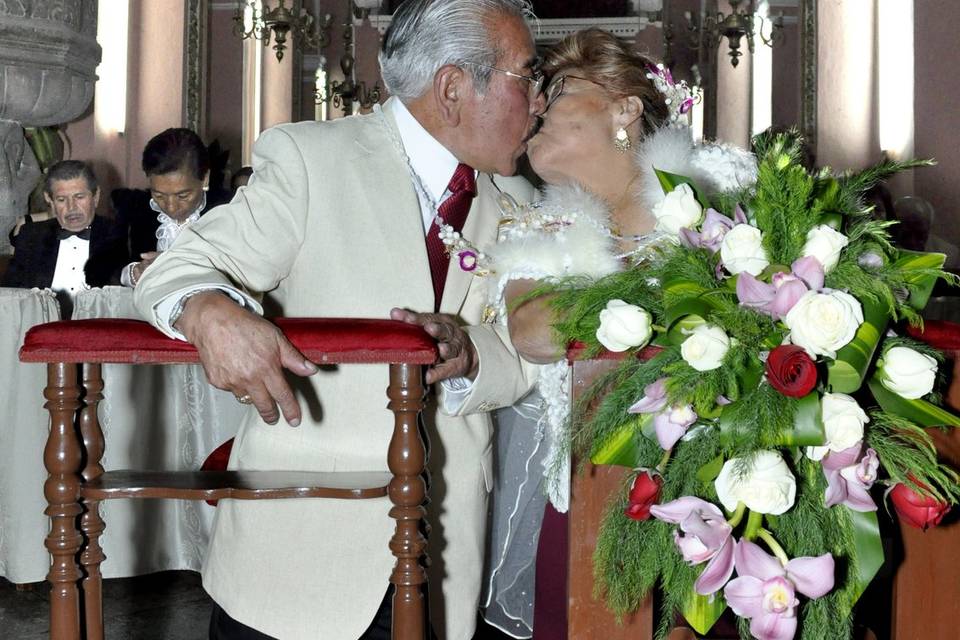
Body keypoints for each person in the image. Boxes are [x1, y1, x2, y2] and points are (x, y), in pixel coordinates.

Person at [133, 1, 544, 639]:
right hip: (301, 542)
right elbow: (181, 267)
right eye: (528, 74)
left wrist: (472, 358)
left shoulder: (516, 200)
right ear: (454, 87)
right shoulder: (308, 158)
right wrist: (208, 310)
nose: (539, 100)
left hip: (442, 546)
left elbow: (521, 357)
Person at [477, 28, 757, 638]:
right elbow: (532, 330)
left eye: (558, 89)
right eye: (536, 93)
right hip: (593, 502)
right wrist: (670, 293)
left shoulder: (719, 188)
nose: (537, 106)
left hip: (736, 494)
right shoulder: (537, 233)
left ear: (626, 107)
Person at [1, 160, 128, 315]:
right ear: (49, 199)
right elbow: (12, 293)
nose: (71, 207)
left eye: (79, 197)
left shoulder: (121, 234)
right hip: (43, 330)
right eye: (61, 199)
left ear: (96, 196)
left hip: (101, 329)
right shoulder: (31, 236)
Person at [118, 128, 221, 288]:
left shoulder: (227, 213)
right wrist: (135, 272)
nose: (171, 207)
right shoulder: (137, 210)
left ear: (205, 179)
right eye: (159, 195)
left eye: (183, 196)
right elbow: (110, 268)